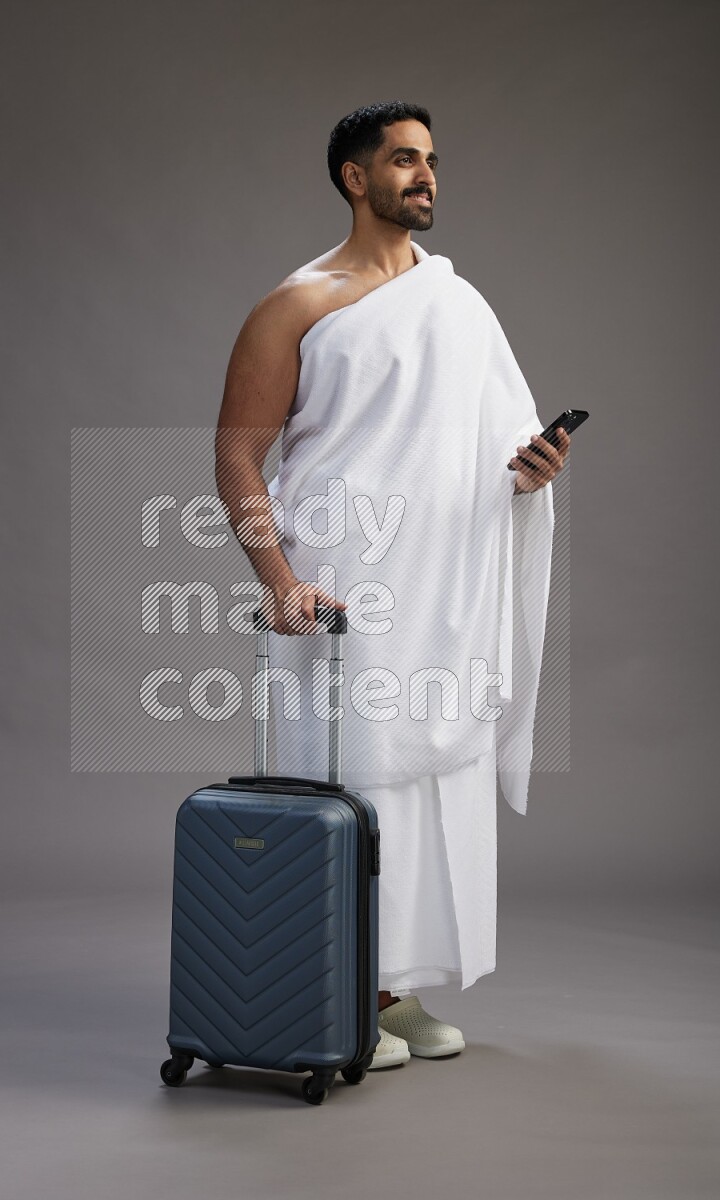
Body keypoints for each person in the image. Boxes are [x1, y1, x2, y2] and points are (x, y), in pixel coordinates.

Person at [214, 101, 570, 1069]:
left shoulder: (458, 301)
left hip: (445, 586)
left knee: (430, 779)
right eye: (403, 160)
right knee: (351, 776)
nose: (425, 177)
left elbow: (495, 444)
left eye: (431, 161)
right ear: (352, 176)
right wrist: (278, 580)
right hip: (340, 585)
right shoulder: (299, 303)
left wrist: (528, 473)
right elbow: (238, 459)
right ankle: (329, 984)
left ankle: (390, 985)